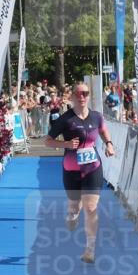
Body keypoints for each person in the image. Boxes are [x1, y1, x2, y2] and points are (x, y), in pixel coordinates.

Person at [44, 82, 115, 264]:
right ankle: (73, 215)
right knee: (75, 207)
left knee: (91, 207)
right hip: (72, 168)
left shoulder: (97, 117)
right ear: (72, 96)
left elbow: (103, 130)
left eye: (85, 93)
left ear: (89, 95)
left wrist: (109, 144)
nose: (82, 96)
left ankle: (90, 250)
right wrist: (66, 144)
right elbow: (48, 141)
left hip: (93, 167)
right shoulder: (65, 119)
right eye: (78, 93)